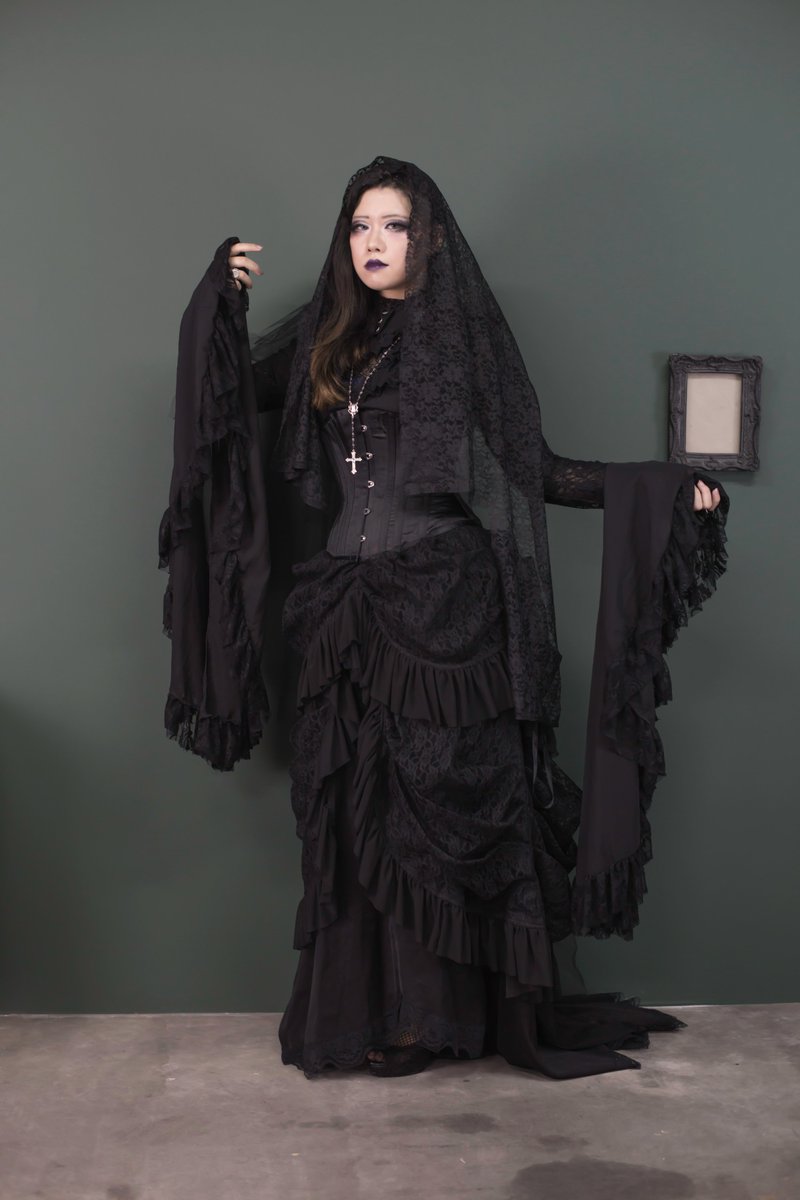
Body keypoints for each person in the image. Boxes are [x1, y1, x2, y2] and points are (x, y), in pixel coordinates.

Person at [159, 155, 729, 1081]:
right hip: (342, 611)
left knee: (438, 814)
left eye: (394, 225)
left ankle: (437, 1018)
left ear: (429, 239)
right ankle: (370, 1011)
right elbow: (225, 400)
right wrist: (215, 304)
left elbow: (539, 472)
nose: (373, 242)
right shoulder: (328, 339)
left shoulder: (462, 345)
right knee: (355, 817)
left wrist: (661, 489)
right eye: (359, 226)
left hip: (445, 610)